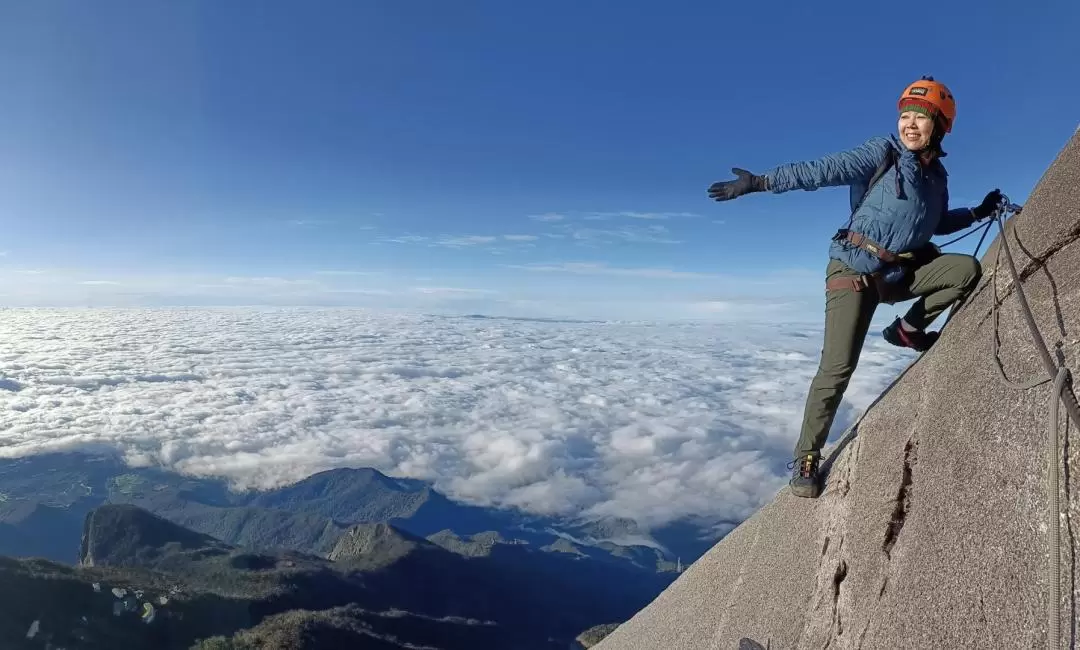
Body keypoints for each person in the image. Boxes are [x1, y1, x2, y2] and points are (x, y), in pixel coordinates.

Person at [706, 76, 1002, 498]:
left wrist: (976, 212)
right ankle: (807, 454)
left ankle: (908, 330)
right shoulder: (882, 153)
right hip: (853, 273)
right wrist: (758, 183)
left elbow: (934, 224)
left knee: (964, 270)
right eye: (906, 116)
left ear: (940, 126)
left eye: (921, 117)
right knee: (838, 367)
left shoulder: (937, 177)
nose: (911, 125)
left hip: (898, 274)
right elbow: (822, 170)